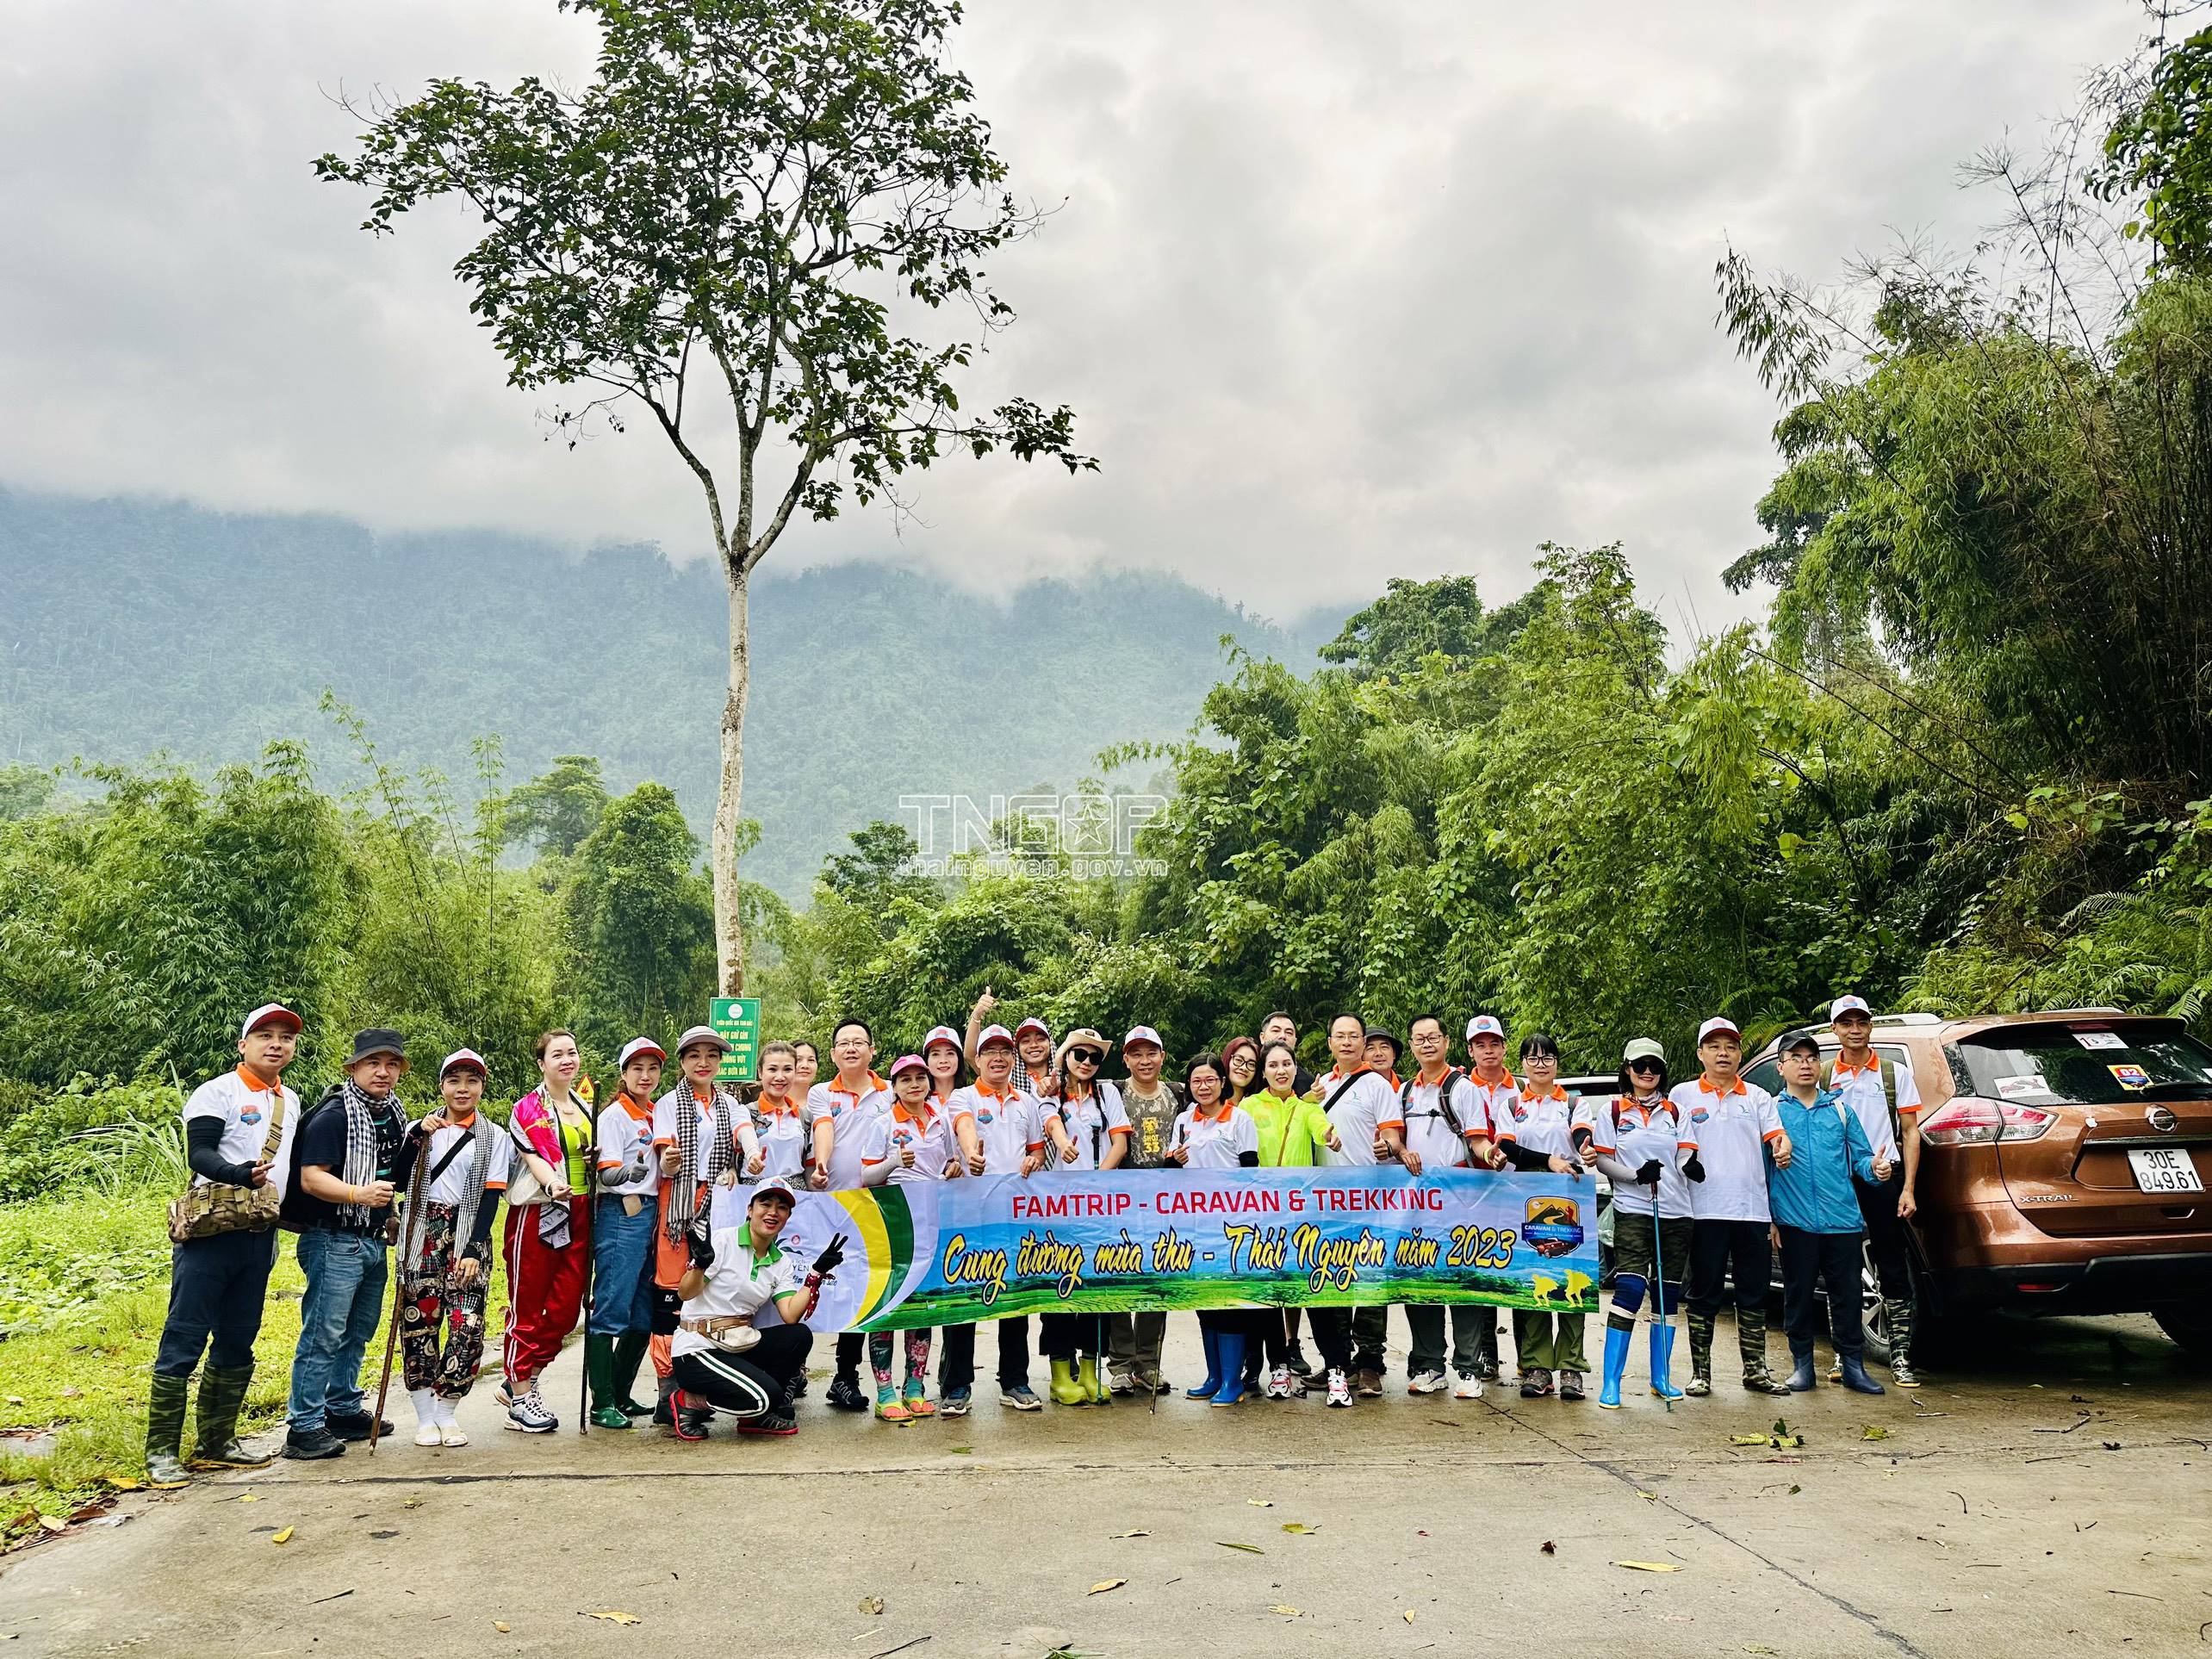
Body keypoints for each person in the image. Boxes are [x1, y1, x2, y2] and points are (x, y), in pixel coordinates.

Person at [146, 1003, 304, 1488]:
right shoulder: (217, 1092)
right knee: (186, 1333)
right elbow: (199, 1152)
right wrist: (239, 1174)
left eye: (285, 1037)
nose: (276, 1044)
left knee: (239, 1335)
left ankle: (217, 1441)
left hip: (258, 1235)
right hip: (211, 1234)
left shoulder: (291, 1100)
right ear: (243, 1044)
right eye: (265, 1036)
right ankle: (161, 1452)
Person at [282, 1027, 412, 1460]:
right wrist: (358, 1194)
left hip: (372, 1238)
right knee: (323, 1334)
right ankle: (303, 1427)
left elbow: (386, 1175)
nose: (383, 1072)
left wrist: (389, 1214)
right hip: (332, 1238)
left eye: (392, 1064)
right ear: (353, 1068)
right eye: (373, 1063)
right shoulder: (335, 1116)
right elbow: (311, 1179)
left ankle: (341, 1408)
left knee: (357, 1331)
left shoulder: (391, 1114)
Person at [943, 1023, 1068, 1413]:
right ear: (977, 1059)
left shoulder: (1026, 1101)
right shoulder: (962, 1097)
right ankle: (956, 1386)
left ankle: (1014, 1380)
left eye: (1004, 1052)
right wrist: (972, 1154)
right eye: (989, 1052)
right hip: (969, 1214)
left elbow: (1035, 1149)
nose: (997, 1058)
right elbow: (965, 1128)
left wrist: (1033, 1160)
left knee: (1014, 1298)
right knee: (962, 1298)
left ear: (1012, 1059)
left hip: (1014, 1216)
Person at [397, 1048, 514, 1446]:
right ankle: (424, 1417)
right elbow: (399, 1178)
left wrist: (473, 1247)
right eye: (454, 1080)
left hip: (469, 1232)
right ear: (442, 1086)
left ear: (482, 1087)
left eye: (472, 1081)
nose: (463, 1089)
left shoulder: (494, 1136)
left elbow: (491, 1196)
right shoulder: (420, 1128)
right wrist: (418, 1136)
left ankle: (447, 1411)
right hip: (422, 1233)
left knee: (468, 1324)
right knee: (419, 1322)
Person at [650, 1025, 764, 1433]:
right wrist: (669, 1161)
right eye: (695, 1055)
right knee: (670, 1293)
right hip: (679, 1205)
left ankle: (701, 1386)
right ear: (682, 1061)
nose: (703, 1062)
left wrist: (751, 1155)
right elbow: (664, 1151)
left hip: (719, 1205)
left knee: (710, 1288)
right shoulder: (668, 1104)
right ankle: (668, 1392)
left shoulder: (731, 1104)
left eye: (712, 1055)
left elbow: (745, 1134)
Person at [1673, 1016, 1793, 1400]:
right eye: (1714, 1047)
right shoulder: (1682, 1095)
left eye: (1730, 1047)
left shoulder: (1757, 1097)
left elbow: (1776, 1135)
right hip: (1703, 1210)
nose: (1723, 1054)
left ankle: (1755, 1371)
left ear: (1740, 1054)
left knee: (1754, 1292)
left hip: (1752, 1211)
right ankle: (1701, 1374)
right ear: (1701, 1054)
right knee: (1704, 1292)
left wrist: (1782, 1146)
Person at [1765, 1029, 1889, 1395]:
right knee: (1798, 1295)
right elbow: (1760, 1170)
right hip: (1794, 1221)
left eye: (1812, 1058)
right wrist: (1770, 1219)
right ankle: (1802, 1367)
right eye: (1796, 1058)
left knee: (1847, 1295)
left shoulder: (1840, 1110)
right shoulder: (1771, 1113)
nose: (1805, 1065)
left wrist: (1876, 1170)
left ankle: (1853, 1367)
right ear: (1781, 1067)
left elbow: (1862, 1158)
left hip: (1843, 1221)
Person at [669, 1177, 840, 1438]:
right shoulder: (723, 1241)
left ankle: (755, 1417)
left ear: (788, 1217)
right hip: (698, 1348)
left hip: (737, 1344)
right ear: (750, 1210)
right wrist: (700, 1266)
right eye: (766, 1204)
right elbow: (685, 1293)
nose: (773, 1212)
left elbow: (790, 1315)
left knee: (798, 1336)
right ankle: (689, 1401)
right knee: (767, 1398)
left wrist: (816, 1272)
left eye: (782, 1207)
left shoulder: (781, 1262)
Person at [1581, 1038, 1693, 1410]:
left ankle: (1661, 1378)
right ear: (1627, 1069)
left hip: (1676, 1212)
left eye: (1655, 1066)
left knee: (1667, 1295)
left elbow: (1685, 1153)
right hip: (1632, 1210)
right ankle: (1611, 1383)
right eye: (1640, 1065)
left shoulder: (1676, 1111)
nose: (1648, 1072)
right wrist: (1635, 1175)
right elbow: (1602, 1160)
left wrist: (1690, 1166)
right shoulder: (1613, 1111)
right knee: (1629, 1290)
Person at [1822, 995, 1924, 1388]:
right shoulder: (1825, 1075)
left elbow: (1910, 1132)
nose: (1854, 1029)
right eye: (1846, 1023)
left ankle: (1900, 1358)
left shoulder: (1894, 1074)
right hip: (1838, 1182)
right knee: (1840, 1264)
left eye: (1861, 1022)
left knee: (1892, 1264)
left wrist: (1908, 1188)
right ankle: (1843, 1355)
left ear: (1870, 1025)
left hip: (1884, 1178)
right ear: (1835, 1029)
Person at [500, 1029, 598, 1432]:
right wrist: (553, 1182)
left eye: (571, 1052)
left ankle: (522, 1377)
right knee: (528, 1304)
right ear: (542, 1063)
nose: (567, 1060)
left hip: (581, 1210)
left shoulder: (585, 1106)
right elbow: (534, 1157)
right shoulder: (527, 1108)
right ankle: (521, 1396)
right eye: (557, 1054)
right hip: (540, 1209)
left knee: (565, 1309)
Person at [1309, 1013, 1407, 1402]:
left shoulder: (1377, 1085)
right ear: (1330, 1043)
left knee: (1368, 1279)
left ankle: (1369, 1362)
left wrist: (1388, 1146)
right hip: (1325, 1201)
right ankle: (1338, 1363)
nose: (1347, 1042)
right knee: (1333, 1280)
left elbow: (1392, 1135)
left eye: (1354, 1036)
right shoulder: (1320, 1086)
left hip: (1369, 1199)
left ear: (1363, 1043)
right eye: (1340, 1036)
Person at [1492, 1034, 1592, 1400]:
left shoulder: (1574, 1103)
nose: (1540, 1064)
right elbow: (1508, 1146)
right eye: (1532, 1058)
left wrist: (1585, 1147)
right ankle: (1537, 1366)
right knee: (1535, 1280)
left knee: (1572, 1281)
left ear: (1557, 1063)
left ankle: (1571, 1368)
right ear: (1522, 1063)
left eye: (1547, 1057)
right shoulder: (1511, 1104)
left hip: (1569, 1196)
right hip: (1526, 1195)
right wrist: (1548, 1160)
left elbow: (1581, 1134)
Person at [1396, 1014, 1488, 1399]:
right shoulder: (1405, 1092)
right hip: (1416, 1204)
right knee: (1420, 1284)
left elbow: (1478, 1140)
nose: (1427, 1044)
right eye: (1419, 1039)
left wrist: (1490, 1154)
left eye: (1433, 1037)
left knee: (1462, 1282)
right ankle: (1430, 1365)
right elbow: (1395, 1142)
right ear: (1411, 1046)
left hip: (1458, 1201)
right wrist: (1393, 1149)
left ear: (1447, 1042)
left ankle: (1468, 1368)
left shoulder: (1463, 1088)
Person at [1037, 1028, 1129, 1405]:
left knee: (1096, 1290)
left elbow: (1119, 1142)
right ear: (1066, 1057)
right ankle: (1060, 1373)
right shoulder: (1049, 1093)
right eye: (1080, 1055)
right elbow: (1052, 1125)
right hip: (1057, 1209)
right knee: (1059, 1292)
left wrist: (1096, 1184)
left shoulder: (1108, 1095)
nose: (1087, 1062)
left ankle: (1090, 1370)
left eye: (1094, 1057)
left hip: (1098, 1207)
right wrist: (1063, 1145)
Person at [1167, 1054, 1262, 1405]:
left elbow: (1250, 1172)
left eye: (1210, 1080)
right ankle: (1214, 1376)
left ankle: (1233, 1382)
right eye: (1196, 1081)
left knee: (1229, 1301)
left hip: (1233, 1225)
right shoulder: (1183, 1120)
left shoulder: (1240, 1119)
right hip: (1195, 1225)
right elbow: (1171, 1172)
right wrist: (1173, 1161)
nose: (1203, 1087)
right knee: (1205, 1301)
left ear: (1223, 1082)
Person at [865, 1053, 954, 1420]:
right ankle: (885, 1392)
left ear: (929, 1083)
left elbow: (949, 1163)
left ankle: (915, 1388)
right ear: (895, 1086)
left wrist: (953, 1170)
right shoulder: (882, 1123)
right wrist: (893, 1163)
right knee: (888, 1308)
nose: (914, 1084)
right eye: (906, 1079)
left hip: (931, 1222)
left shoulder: (941, 1121)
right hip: (894, 1225)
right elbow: (866, 1177)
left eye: (920, 1077)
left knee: (922, 1306)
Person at [809, 1017, 890, 1412]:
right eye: (844, 1043)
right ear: (833, 1053)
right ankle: (791, 1374)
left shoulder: (891, 1093)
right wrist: (821, 1164)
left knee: (861, 1292)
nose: (852, 1048)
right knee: (814, 1286)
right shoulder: (821, 1093)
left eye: (859, 1042)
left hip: (878, 1207)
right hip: (831, 1206)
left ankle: (845, 1377)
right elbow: (824, 1128)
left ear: (872, 1051)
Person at [586, 1036, 665, 1429]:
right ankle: (602, 1403)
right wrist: (626, 1173)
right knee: (612, 1305)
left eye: (652, 1068)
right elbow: (606, 1173)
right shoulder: (615, 1115)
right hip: (623, 1213)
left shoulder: (656, 1113)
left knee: (643, 1312)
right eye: (637, 1068)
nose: (645, 1076)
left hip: (653, 1214)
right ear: (624, 1073)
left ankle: (620, 1393)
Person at [1105, 1024, 1182, 1395]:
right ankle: (1120, 1363)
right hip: (1120, 1200)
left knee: (1158, 1280)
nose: (1145, 1061)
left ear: (1162, 1057)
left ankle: (1148, 1362)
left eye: (1151, 1053)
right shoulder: (1112, 1093)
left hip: (1166, 1203)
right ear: (1126, 1059)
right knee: (1118, 1276)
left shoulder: (1178, 1094)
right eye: (1136, 1054)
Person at [1458, 1015, 1522, 1382]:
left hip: (1519, 1192)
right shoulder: (1461, 1088)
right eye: (1480, 1045)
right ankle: (1487, 1356)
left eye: (1494, 1043)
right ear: (1470, 1050)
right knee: (1481, 1272)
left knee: (1521, 1274)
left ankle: (1528, 1359)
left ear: (1504, 1047)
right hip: (1475, 1192)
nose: (1488, 1051)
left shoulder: (1524, 1088)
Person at [749, 1041, 811, 1184]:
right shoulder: (746, 1113)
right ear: (760, 1072)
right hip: (753, 1191)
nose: (780, 1077)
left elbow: (809, 1165)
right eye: (772, 1069)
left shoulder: (805, 1117)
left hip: (795, 1192)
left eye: (787, 1069)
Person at [1363, 1025, 1403, 1092]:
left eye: (1384, 1047)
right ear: (1361, 1056)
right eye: (1371, 1048)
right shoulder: (1354, 1088)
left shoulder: (1407, 1089)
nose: (1379, 1053)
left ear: (1394, 1054)